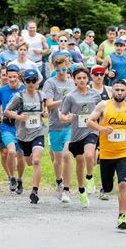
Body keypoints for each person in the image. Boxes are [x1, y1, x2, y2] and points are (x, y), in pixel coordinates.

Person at [87, 79, 126, 230]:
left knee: (123, 183)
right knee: (108, 188)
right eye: (117, 90)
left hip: (124, 153)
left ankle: (122, 216)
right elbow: (89, 121)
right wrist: (101, 128)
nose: (119, 92)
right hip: (107, 154)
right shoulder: (103, 105)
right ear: (112, 91)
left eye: (122, 90)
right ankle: (105, 188)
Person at [60, 67, 102, 208]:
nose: (82, 80)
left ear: (88, 79)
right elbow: (62, 114)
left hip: (91, 130)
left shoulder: (95, 95)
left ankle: (90, 177)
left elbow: (102, 112)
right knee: (79, 162)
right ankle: (81, 189)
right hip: (76, 133)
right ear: (74, 80)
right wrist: (67, 118)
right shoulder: (70, 96)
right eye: (79, 78)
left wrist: (101, 126)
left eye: (84, 77)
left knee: (89, 155)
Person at [5, 69, 47, 204]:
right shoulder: (19, 96)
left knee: (36, 161)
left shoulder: (41, 95)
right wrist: (18, 117)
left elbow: (46, 109)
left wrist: (45, 113)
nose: (31, 83)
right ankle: (20, 179)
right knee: (29, 161)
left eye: (33, 80)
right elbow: (6, 111)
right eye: (28, 81)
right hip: (23, 135)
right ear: (24, 81)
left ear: (37, 82)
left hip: (38, 132)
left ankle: (34, 191)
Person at [43, 53, 76, 202]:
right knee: (57, 160)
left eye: (64, 69)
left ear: (68, 67)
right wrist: (63, 101)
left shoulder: (72, 83)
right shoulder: (50, 83)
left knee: (67, 155)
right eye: (59, 70)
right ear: (55, 69)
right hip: (55, 125)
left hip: (70, 125)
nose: (62, 72)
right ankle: (59, 181)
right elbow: (49, 104)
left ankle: (67, 189)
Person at [0, 64, 26, 193]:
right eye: (9, 77)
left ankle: (20, 179)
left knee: (21, 156)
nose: (12, 79)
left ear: (18, 76)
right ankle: (12, 177)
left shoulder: (25, 89)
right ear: (5, 77)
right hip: (6, 127)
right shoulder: (1, 91)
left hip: (22, 128)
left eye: (14, 77)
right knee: (11, 152)